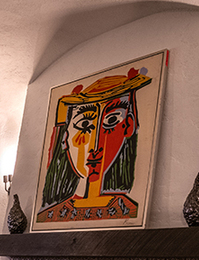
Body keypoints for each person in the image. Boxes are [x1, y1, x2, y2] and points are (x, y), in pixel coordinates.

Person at [36, 66, 153, 224]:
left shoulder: (130, 211)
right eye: (84, 125)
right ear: (65, 137)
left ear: (128, 126)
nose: (95, 144)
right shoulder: (48, 217)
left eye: (111, 121)